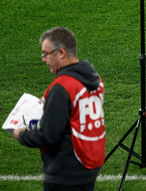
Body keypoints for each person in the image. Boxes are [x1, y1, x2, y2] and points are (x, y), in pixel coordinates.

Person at [12, 27, 105, 191]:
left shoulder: (61, 88)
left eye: (46, 54)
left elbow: (48, 135)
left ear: (61, 53)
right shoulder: (95, 79)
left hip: (66, 173)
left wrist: (21, 135)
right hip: (88, 165)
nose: (43, 59)